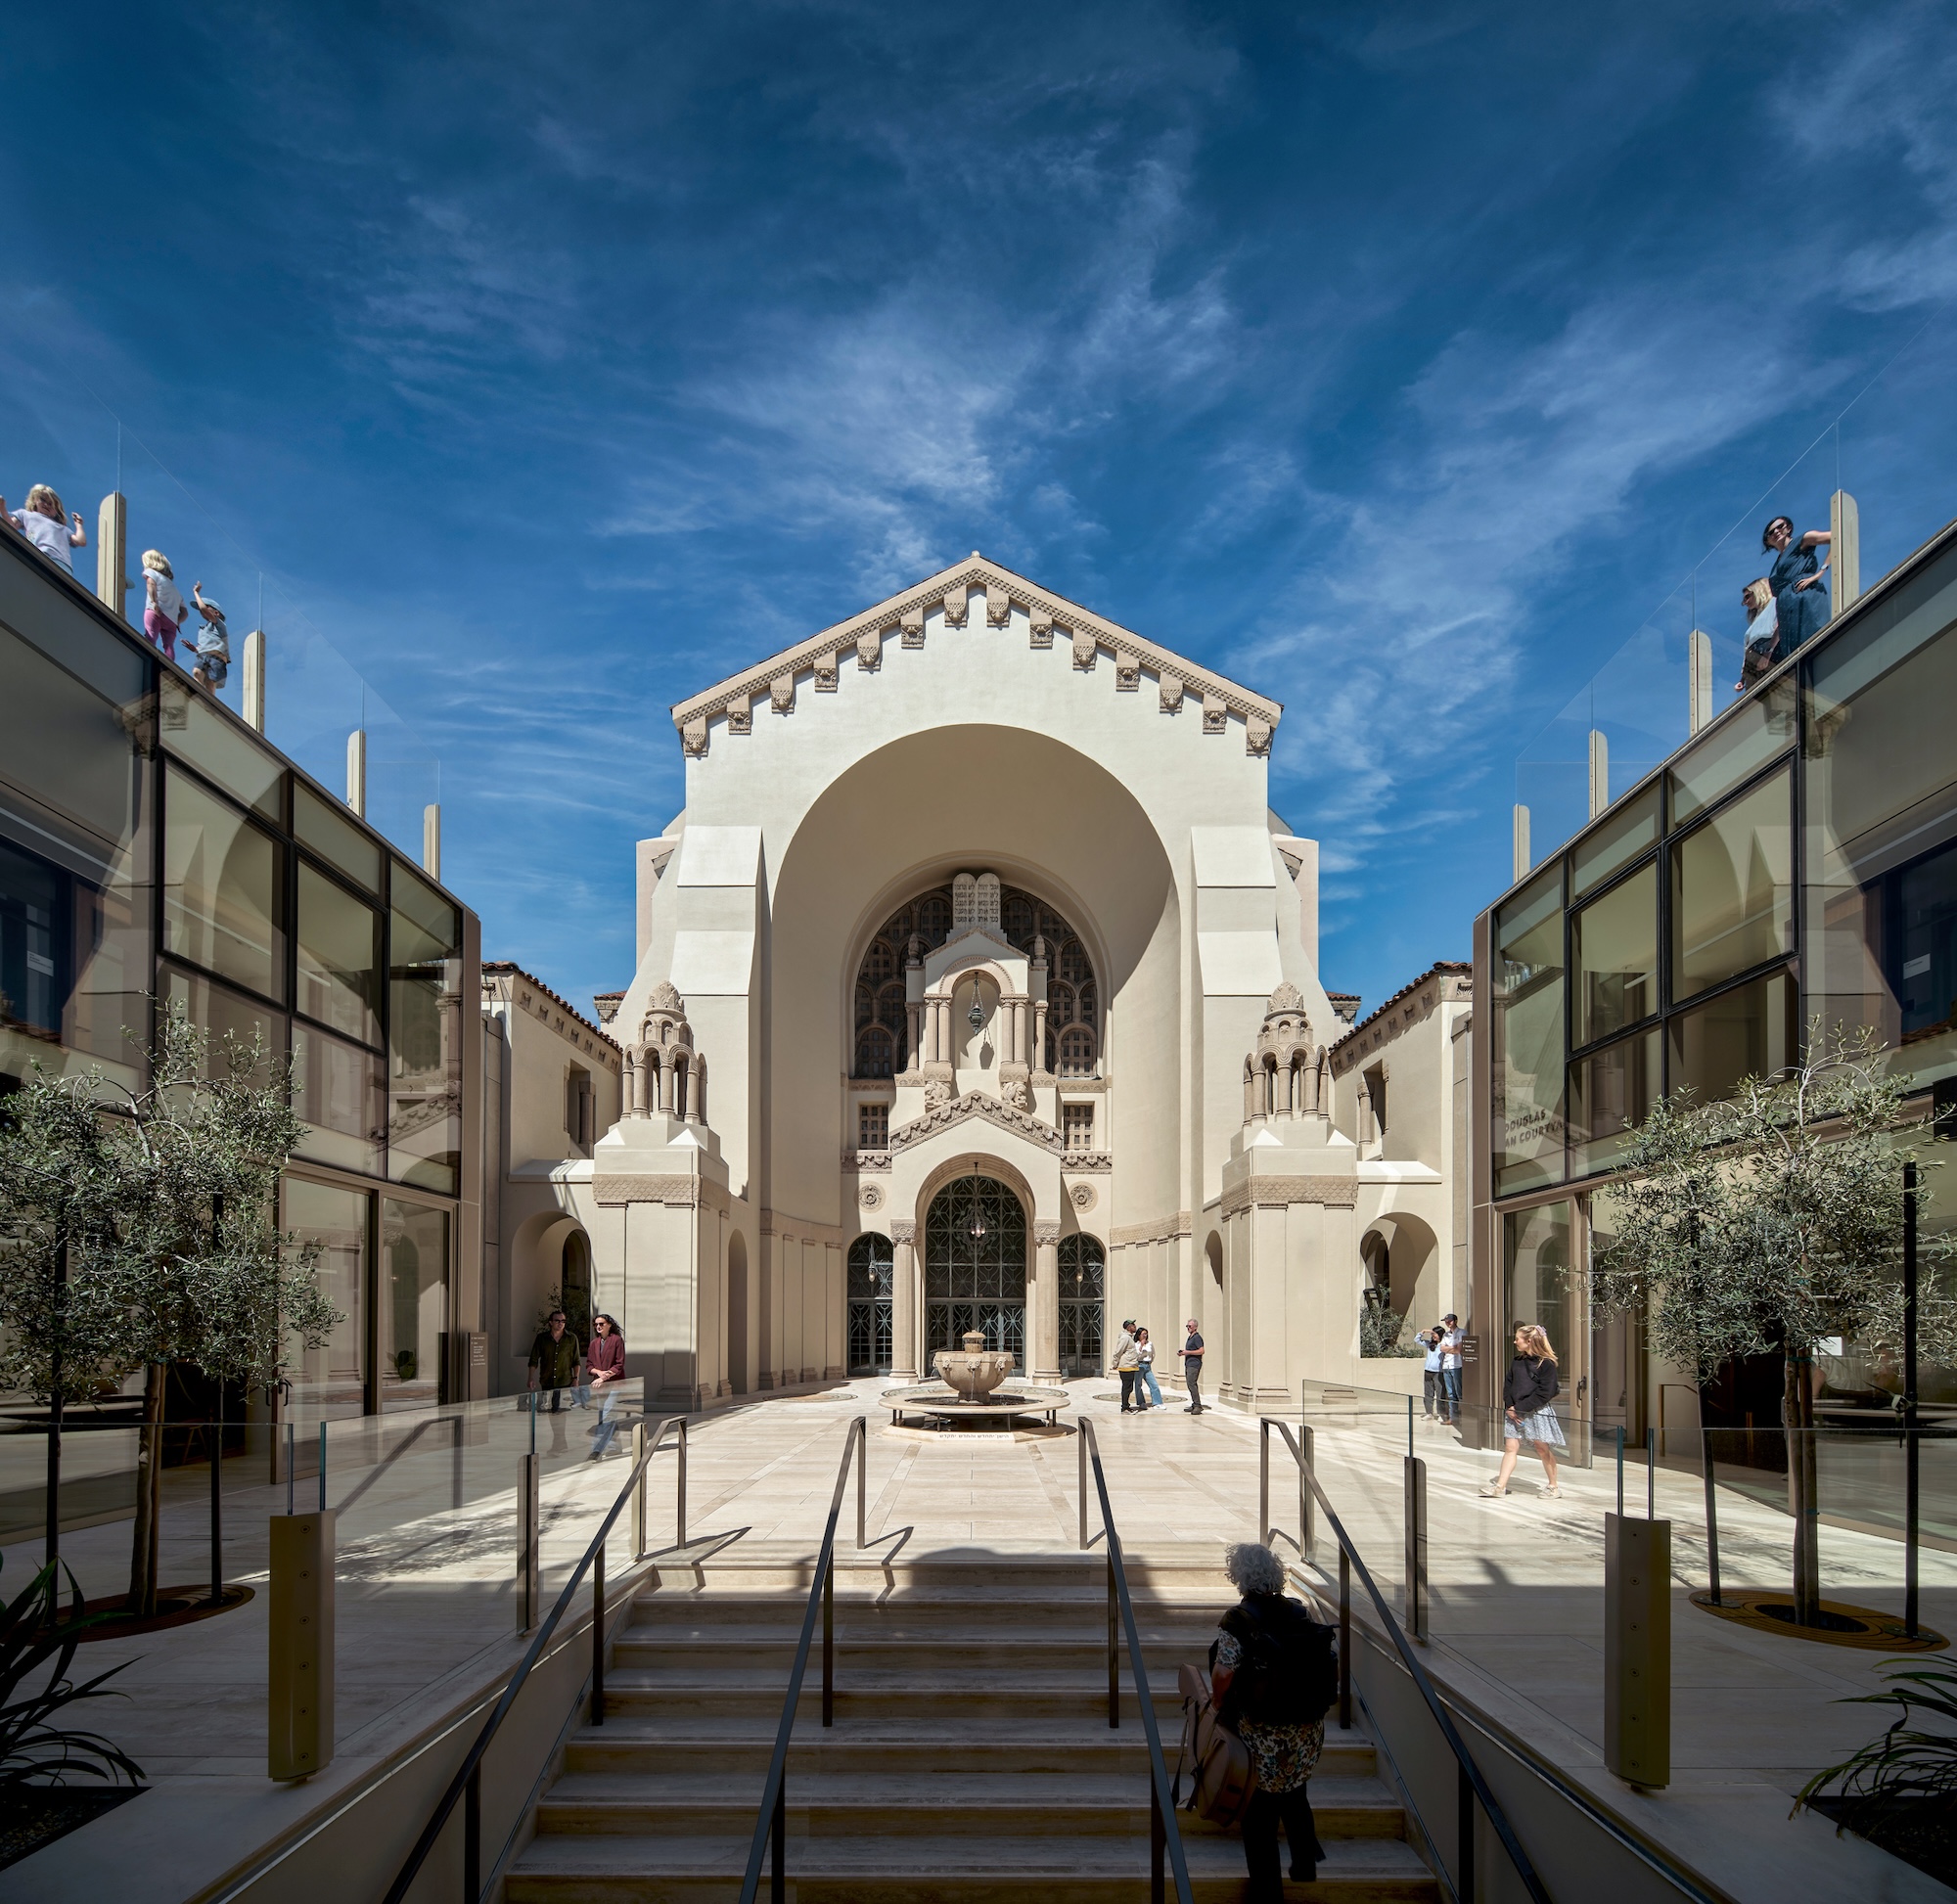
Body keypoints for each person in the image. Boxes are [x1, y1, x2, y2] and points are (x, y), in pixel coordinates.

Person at [1210, 1541, 1334, 1898]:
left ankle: (1268, 1890)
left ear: (1240, 1577)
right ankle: (1305, 1864)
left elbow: (1222, 1673)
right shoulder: (1299, 1612)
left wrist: (1218, 1704)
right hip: (1306, 1728)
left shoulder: (1238, 1620)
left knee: (1259, 1813)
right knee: (1295, 1792)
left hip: (1263, 1732)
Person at [1480, 1323, 1564, 1498]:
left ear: (1529, 1341)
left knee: (1542, 1448)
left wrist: (1519, 1408)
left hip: (1536, 1411)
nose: (1515, 1342)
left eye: (1517, 1339)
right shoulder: (1517, 1361)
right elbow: (1508, 1385)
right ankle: (1500, 1487)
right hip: (1514, 1411)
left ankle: (1553, 1486)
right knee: (1510, 1447)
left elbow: (1545, 1392)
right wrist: (1510, 1407)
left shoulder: (1546, 1364)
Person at [1763, 516, 1831, 659]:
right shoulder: (1776, 564)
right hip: (1786, 611)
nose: (1776, 531)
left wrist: (1820, 572)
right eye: (1771, 532)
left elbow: (1836, 535)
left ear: (1788, 528)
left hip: (1805, 598)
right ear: (1768, 541)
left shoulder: (1802, 540)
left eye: (1780, 526)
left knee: (1815, 644)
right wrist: (1770, 649)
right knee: (1796, 658)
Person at [2, 485, 87, 572]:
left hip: (61, 564)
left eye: (51, 504)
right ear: (35, 500)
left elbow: (81, 541)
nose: (46, 504)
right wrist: (2, 509)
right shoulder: (25, 514)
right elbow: (10, 527)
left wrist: (79, 525)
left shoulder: (62, 528)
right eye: (43, 499)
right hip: (37, 556)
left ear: (56, 510)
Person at [585, 1312, 626, 1459]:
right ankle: (615, 1447)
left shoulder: (616, 1341)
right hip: (600, 1385)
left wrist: (604, 1377)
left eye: (601, 1324)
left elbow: (619, 1365)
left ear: (609, 1325)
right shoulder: (593, 1343)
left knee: (607, 1415)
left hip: (614, 1384)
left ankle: (597, 1449)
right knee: (605, 1415)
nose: (598, 1327)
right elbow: (589, 1365)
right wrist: (599, 1373)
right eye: (595, 1324)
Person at [141, 550, 186, 660]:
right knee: (169, 645)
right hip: (171, 621)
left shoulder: (151, 572)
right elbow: (185, 612)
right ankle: (169, 665)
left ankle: (147, 658)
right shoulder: (175, 590)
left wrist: (154, 602)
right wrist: (177, 621)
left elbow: (150, 584)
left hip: (155, 611)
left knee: (151, 635)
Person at [1736, 578, 1779, 690]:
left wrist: (1768, 653)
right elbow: (1747, 648)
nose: (1745, 602)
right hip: (1751, 660)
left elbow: (1780, 627)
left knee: (1769, 693)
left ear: (1758, 591)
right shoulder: (1756, 618)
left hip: (1764, 649)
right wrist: (1743, 678)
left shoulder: (1774, 603)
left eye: (1747, 597)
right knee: (1755, 701)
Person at [189, 583, 231, 693]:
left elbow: (203, 609)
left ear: (216, 613)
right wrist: (195, 649)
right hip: (204, 655)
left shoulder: (219, 624)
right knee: (197, 673)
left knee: (210, 682)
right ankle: (198, 694)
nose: (201, 610)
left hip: (217, 658)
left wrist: (196, 593)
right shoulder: (203, 629)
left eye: (207, 607)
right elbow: (207, 645)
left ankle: (209, 703)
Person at [1438, 1313, 1464, 1424]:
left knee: (1459, 1392)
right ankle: (1453, 1418)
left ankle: (1463, 1416)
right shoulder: (1445, 1335)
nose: (1448, 1323)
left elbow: (1459, 1349)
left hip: (1457, 1365)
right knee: (1450, 1393)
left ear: (1455, 1321)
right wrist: (1452, 1348)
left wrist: (1450, 1349)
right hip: (1446, 1365)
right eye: (1446, 1321)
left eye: (1450, 1321)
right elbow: (1442, 1348)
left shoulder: (1462, 1332)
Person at [1179, 1317, 1206, 1413]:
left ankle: (1198, 1405)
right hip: (1189, 1363)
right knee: (1190, 1384)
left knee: (1192, 1384)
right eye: (1187, 1326)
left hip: (1194, 1364)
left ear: (1195, 1327)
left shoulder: (1197, 1338)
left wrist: (1187, 1352)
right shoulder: (1190, 1337)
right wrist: (1184, 1353)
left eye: (1189, 1326)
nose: (1188, 1327)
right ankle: (1195, 1403)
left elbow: (1201, 1351)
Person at [1115, 1319, 1141, 1412]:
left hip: (1131, 1365)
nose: (1135, 1327)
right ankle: (1125, 1407)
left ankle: (1126, 1405)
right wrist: (1115, 1363)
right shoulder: (1125, 1338)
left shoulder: (1130, 1337)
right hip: (1126, 1366)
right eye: (1134, 1325)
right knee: (1127, 1387)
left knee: (1129, 1387)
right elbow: (1118, 1351)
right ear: (1129, 1327)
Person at [1421, 1326, 1444, 1419]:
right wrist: (1423, 1331)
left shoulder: (1443, 1345)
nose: (1433, 1336)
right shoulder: (1430, 1344)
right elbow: (1417, 1340)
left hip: (1438, 1372)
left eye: (1435, 1334)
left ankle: (1441, 1413)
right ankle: (1429, 1413)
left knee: (1440, 1393)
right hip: (1428, 1371)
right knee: (1428, 1393)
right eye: (1432, 1334)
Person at [1136, 1327, 1162, 1410]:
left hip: (1147, 1366)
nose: (1145, 1335)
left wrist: (1150, 1361)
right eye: (1143, 1334)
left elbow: (1153, 1354)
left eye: (1146, 1334)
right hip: (1139, 1365)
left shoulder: (1150, 1343)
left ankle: (1157, 1402)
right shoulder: (1135, 1344)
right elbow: (1136, 1355)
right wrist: (1141, 1345)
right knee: (1138, 1385)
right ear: (1139, 1335)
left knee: (1153, 1384)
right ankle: (1141, 1402)